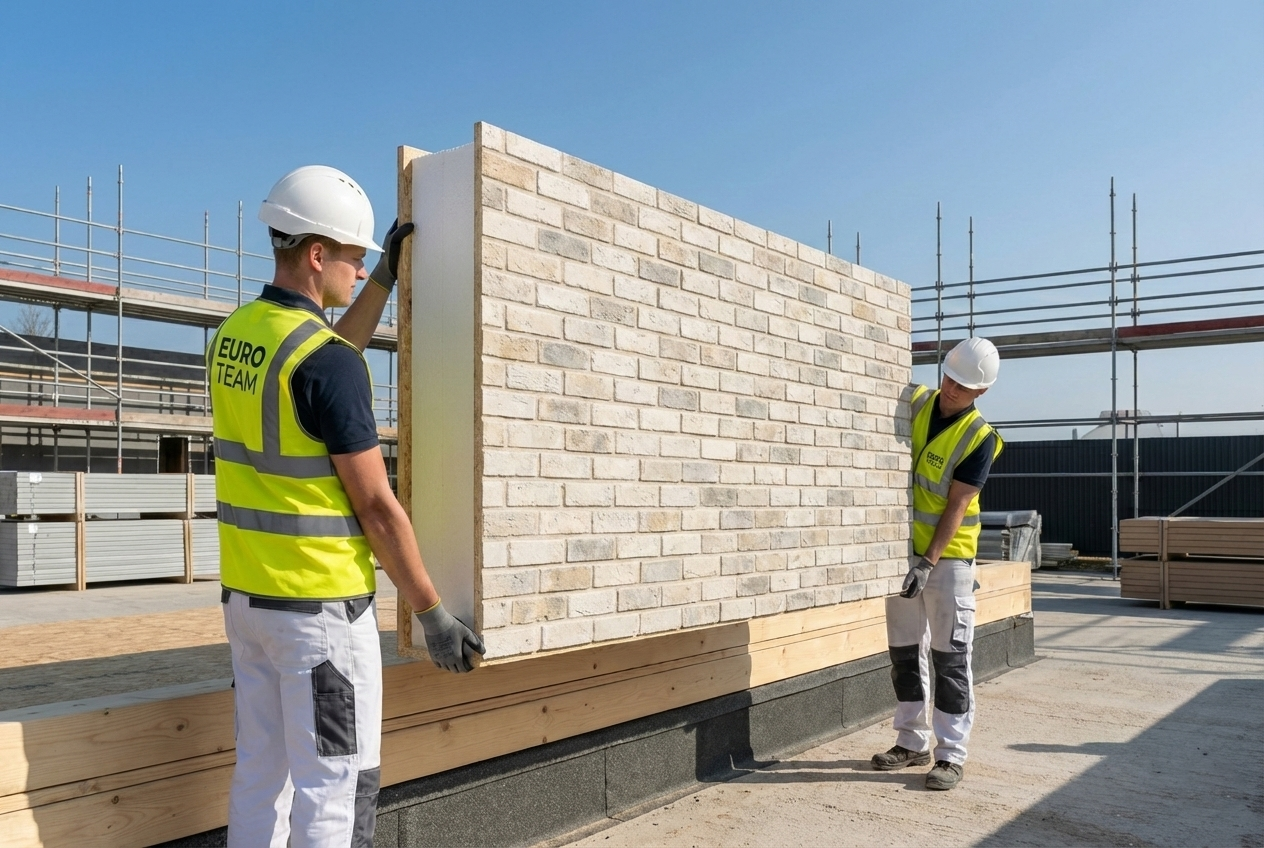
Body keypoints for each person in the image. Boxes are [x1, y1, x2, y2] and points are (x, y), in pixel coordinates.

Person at [210, 165, 485, 847]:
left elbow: (324, 367)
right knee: (335, 787)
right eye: (357, 258)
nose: (361, 271)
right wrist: (431, 612)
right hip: (321, 618)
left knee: (261, 778)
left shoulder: (235, 336)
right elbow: (377, 508)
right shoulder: (326, 363)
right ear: (316, 254)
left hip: (249, 605)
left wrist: (386, 279)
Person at [871, 336, 1004, 790]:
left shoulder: (980, 438)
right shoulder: (918, 403)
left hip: (948, 560)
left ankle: (950, 755)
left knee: (950, 658)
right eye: (949, 378)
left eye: (963, 386)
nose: (951, 389)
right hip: (903, 553)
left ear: (981, 391)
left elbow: (957, 505)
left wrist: (927, 562)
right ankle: (911, 742)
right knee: (905, 653)